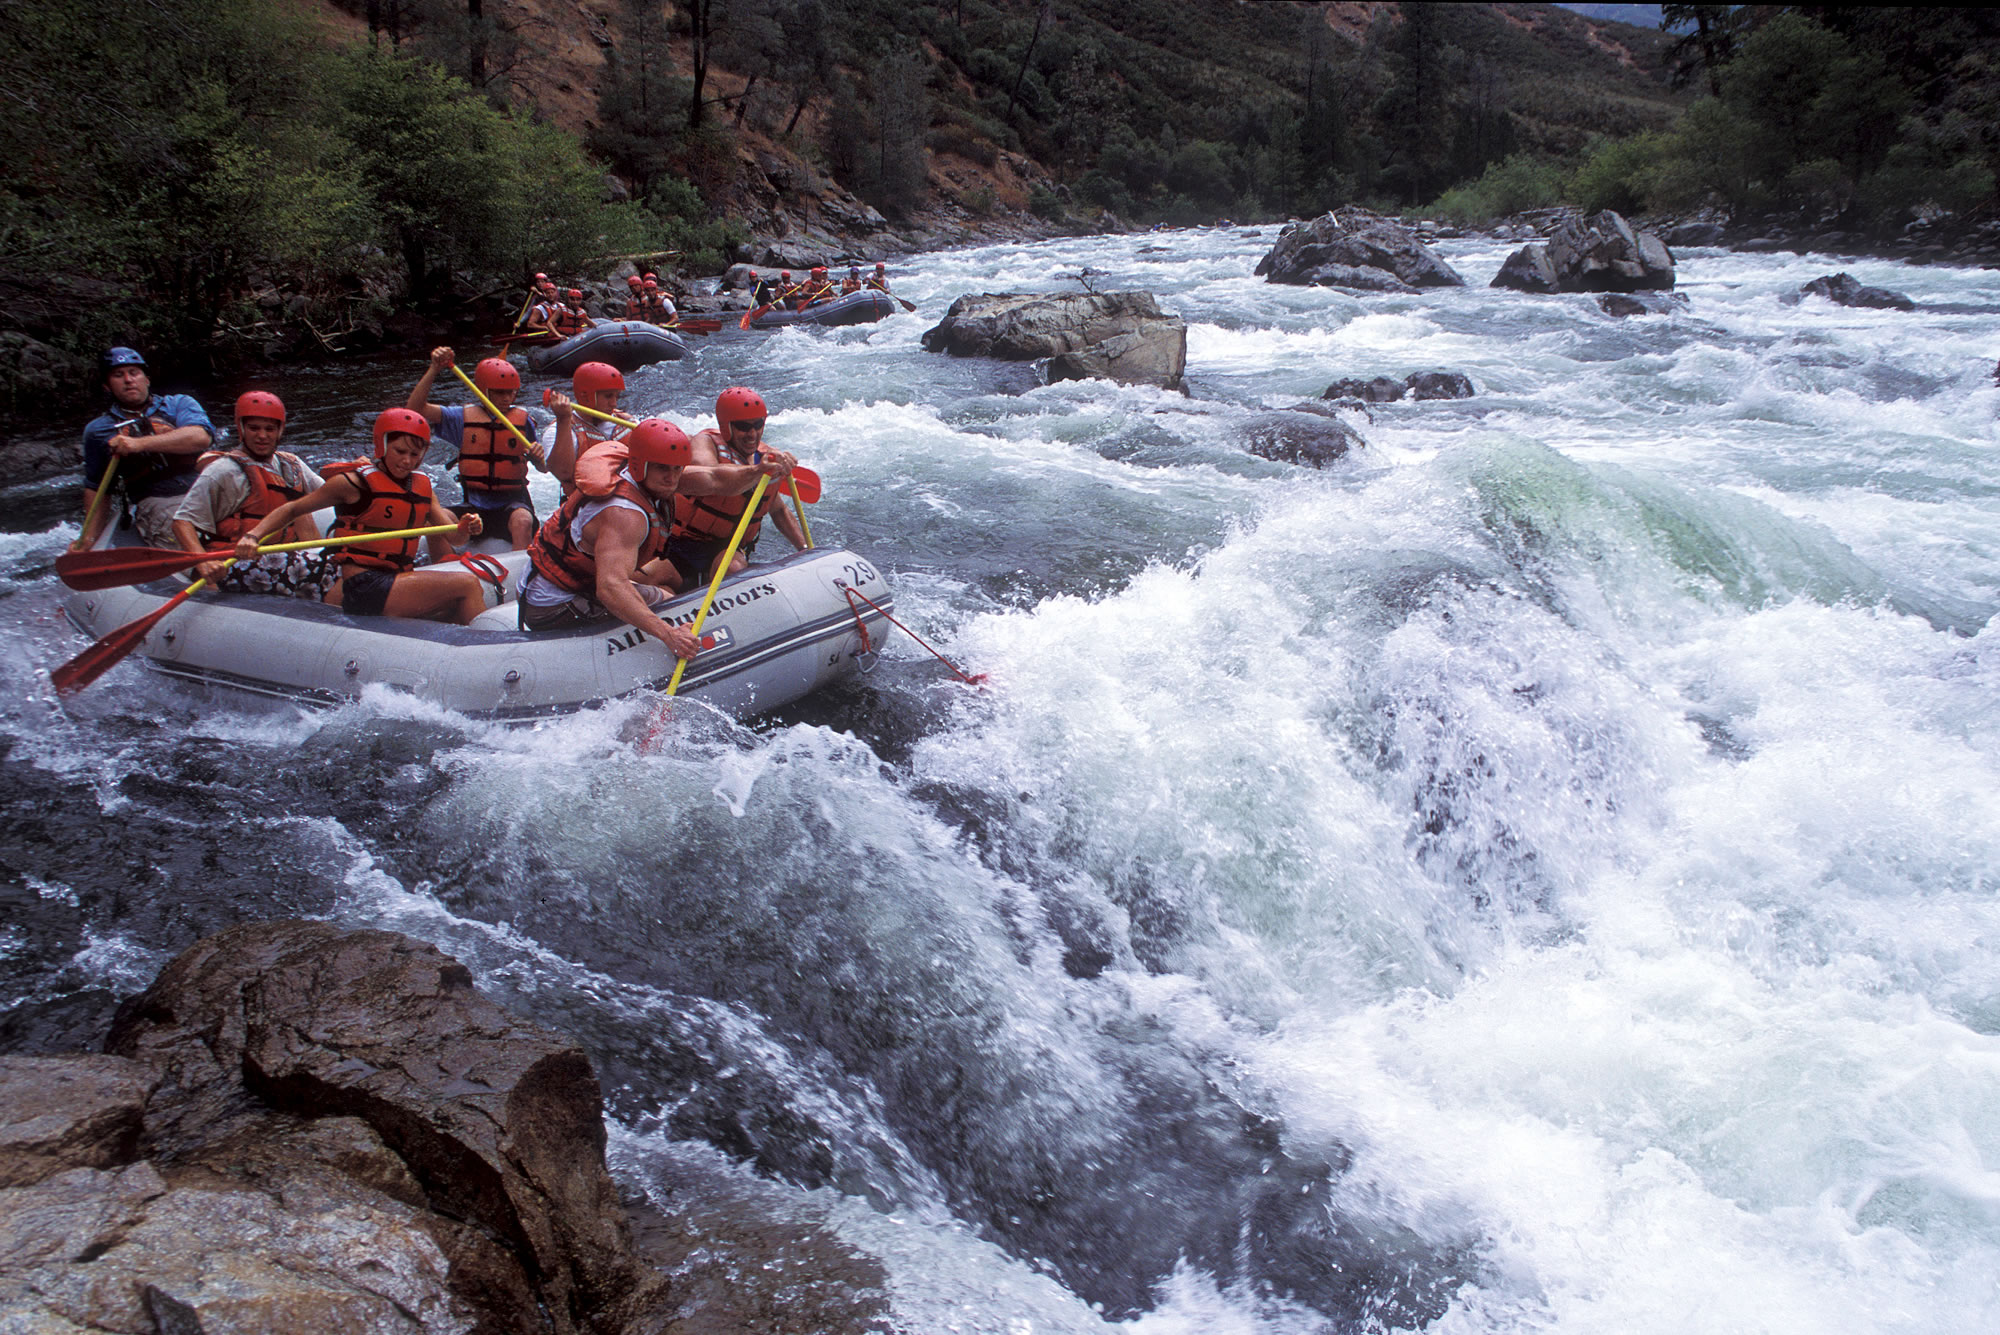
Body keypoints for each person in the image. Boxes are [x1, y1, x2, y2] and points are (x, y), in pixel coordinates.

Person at [519, 417, 794, 645]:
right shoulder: (624, 515)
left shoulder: (648, 477)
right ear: (640, 465)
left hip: (577, 585)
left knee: (667, 599)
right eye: (664, 469)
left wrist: (759, 470)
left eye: (677, 469)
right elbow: (610, 588)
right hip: (554, 604)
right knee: (667, 616)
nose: (672, 478)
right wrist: (668, 634)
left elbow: (714, 480)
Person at [233, 408, 488, 624]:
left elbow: (453, 539)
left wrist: (467, 527)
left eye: (414, 455)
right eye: (400, 451)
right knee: (466, 584)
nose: (407, 461)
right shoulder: (352, 484)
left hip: (397, 577)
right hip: (363, 585)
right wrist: (252, 536)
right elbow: (292, 509)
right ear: (383, 445)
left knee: (453, 605)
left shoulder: (422, 486)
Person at [170, 391, 338, 599]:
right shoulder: (223, 471)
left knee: (344, 563)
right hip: (234, 561)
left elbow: (329, 495)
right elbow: (182, 522)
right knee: (326, 571)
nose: (262, 436)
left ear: (280, 431)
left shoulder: (291, 465)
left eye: (270, 429)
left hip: (284, 555)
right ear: (241, 429)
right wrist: (203, 561)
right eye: (254, 428)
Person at [74, 347, 217, 551]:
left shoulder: (179, 404)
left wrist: (138, 444)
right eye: (118, 375)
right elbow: (97, 488)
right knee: (187, 540)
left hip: (208, 489)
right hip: (160, 501)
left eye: (134, 373)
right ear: (107, 386)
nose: (129, 380)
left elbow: (200, 438)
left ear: (146, 379)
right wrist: (88, 540)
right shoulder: (98, 431)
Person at [666, 386, 808, 587]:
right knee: (652, 579)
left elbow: (778, 510)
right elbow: (712, 479)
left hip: (726, 548)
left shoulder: (765, 457)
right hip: (680, 544)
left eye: (758, 425)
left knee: (732, 567)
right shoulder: (705, 442)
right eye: (743, 426)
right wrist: (758, 471)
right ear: (726, 426)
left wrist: (805, 550)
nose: (752, 434)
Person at [405, 348, 546, 549]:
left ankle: (523, 572)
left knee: (523, 520)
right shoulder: (460, 418)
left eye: (511, 392)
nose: (507, 398)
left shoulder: (523, 422)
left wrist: (538, 458)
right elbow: (413, 411)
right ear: (483, 390)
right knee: (433, 521)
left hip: (512, 506)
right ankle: (443, 569)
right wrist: (434, 369)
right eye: (500, 392)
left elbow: (543, 468)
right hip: (473, 508)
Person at [545, 361, 627, 496]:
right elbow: (563, 473)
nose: (614, 403)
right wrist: (563, 419)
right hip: (583, 506)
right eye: (608, 396)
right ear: (585, 396)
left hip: (625, 501)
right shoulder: (559, 428)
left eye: (616, 396)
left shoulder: (626, 421)